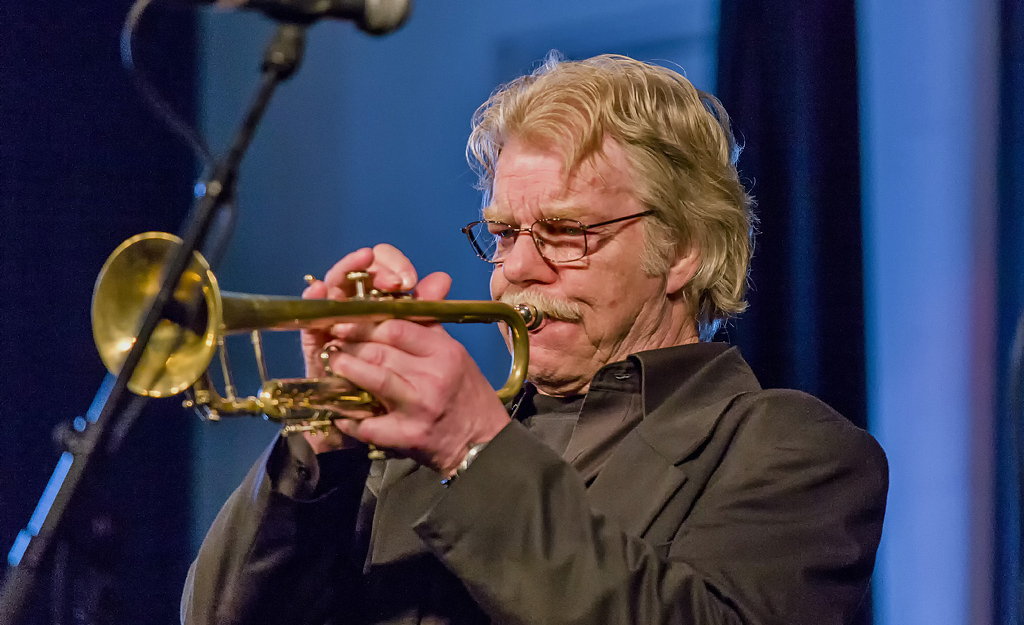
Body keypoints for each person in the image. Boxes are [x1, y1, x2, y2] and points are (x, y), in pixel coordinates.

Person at [181, 54, 887, 625]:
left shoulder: (792, 451)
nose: (516, 268)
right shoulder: (403, 454)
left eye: (565, 232)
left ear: (682, 250)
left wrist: (473, 449)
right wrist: (320, 446)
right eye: (503, 233)